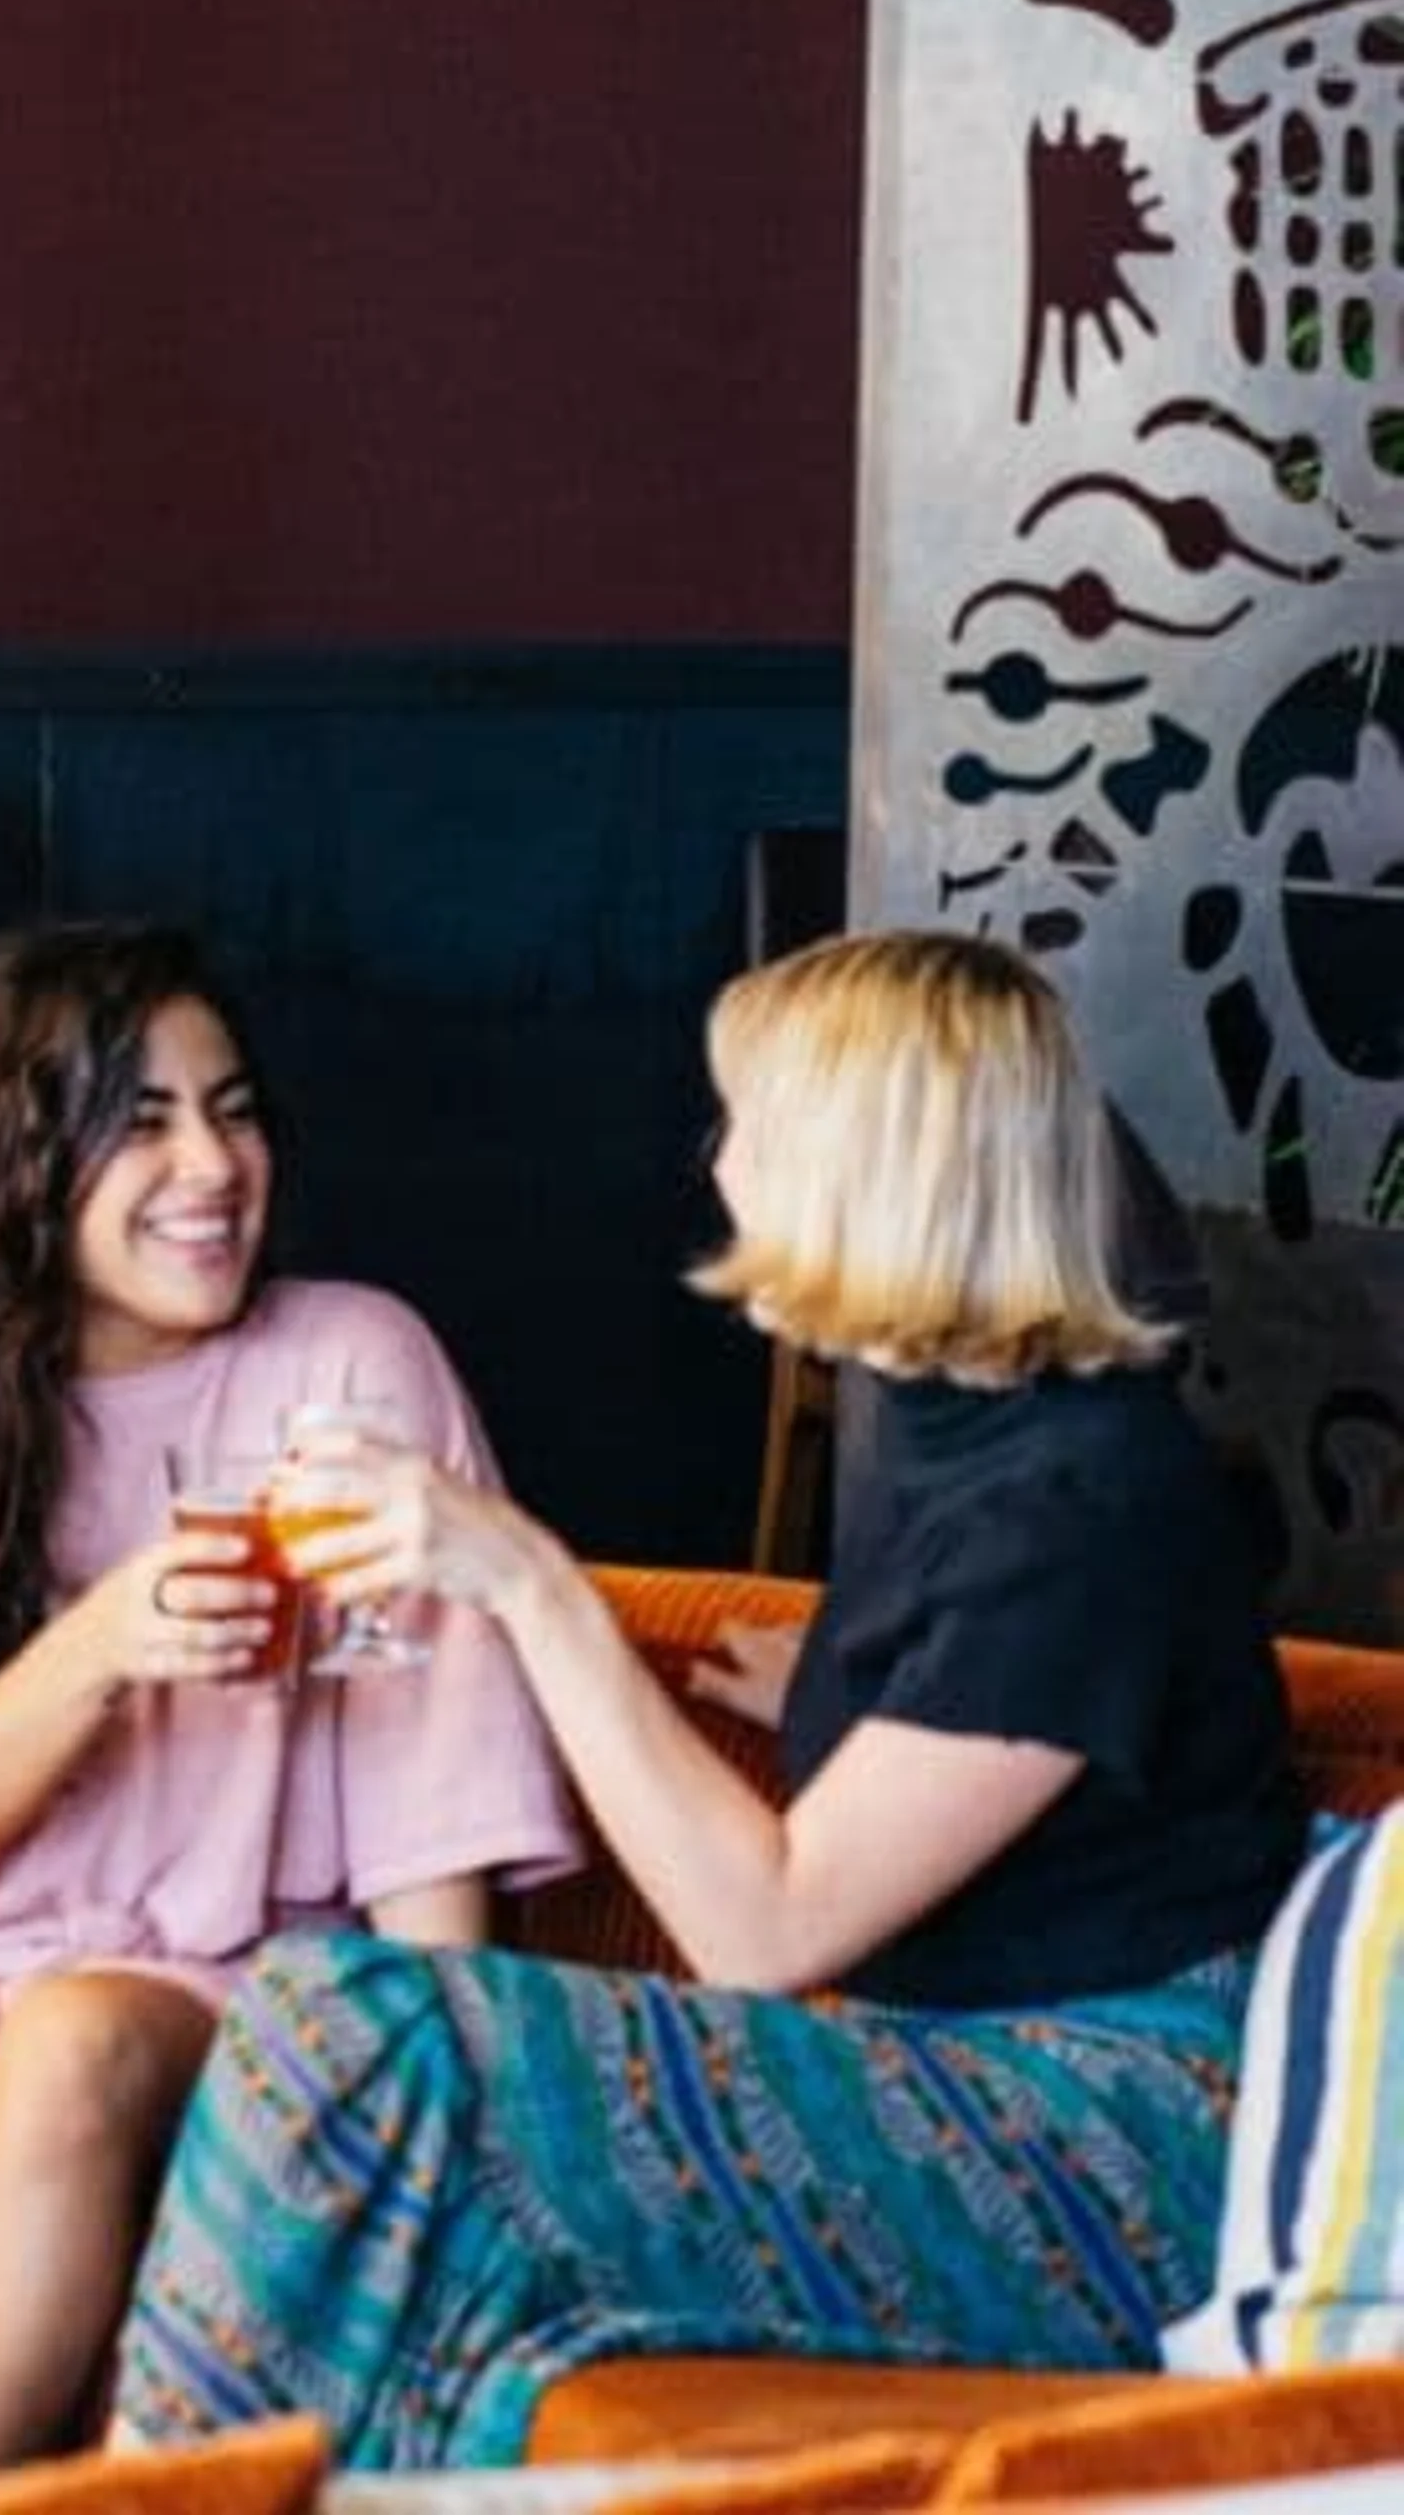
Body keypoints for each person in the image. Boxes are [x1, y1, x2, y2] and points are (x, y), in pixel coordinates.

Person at [113, 925, 1311, 2472]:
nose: (721, 1165)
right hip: (978, 2069)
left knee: (336, 2018)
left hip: (1115, 2147)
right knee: (454, 2244)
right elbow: (982, 1710)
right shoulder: (955, 1420)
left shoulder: (1085, 1505)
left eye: (749, 1125)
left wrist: (528, 1584)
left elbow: (764, 1937)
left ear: (867, 1171)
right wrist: (806, 1680)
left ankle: (141, 2492)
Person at [0, 922, 583, 2511]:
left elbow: (437, 1790)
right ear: (19, 1161)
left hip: (252, 1981)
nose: (212, 1164)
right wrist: (99, 1643)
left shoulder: (353, 1364)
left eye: (232, 1111)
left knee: (75, 2033)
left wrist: (440, 2105)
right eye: (143, 1120)